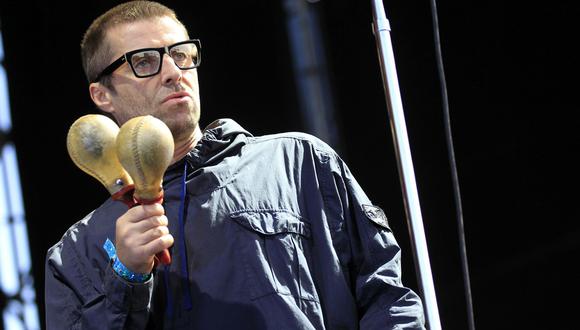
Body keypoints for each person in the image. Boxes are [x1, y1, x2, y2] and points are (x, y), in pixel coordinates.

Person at [45, 1, 425, 329]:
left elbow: (386, 299)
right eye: (144, 61)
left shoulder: (296, 163)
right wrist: (126, 278)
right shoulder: (78, 252)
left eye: (181, 54)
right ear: (102, 94)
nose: (174, 72)